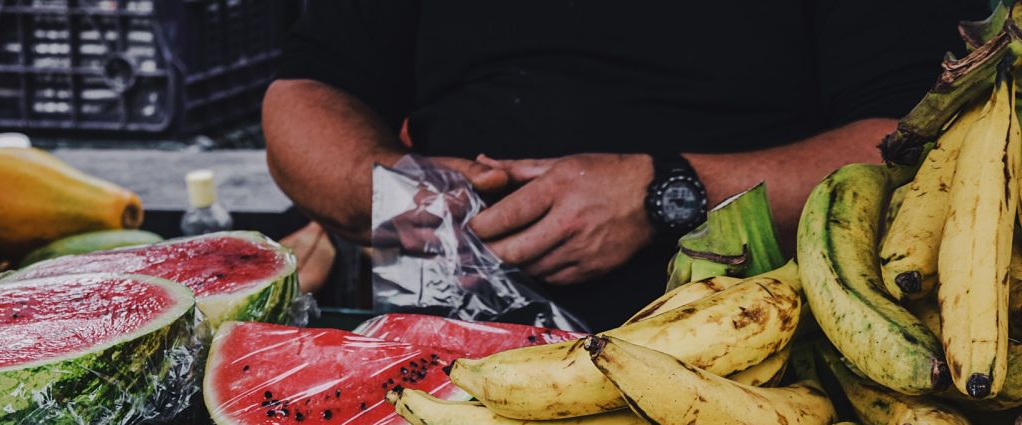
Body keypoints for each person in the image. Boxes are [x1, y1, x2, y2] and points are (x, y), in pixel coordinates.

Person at [263, 1, 982, 328]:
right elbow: (304, 97)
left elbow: (917, 142)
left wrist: (669, 194)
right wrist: (403, 196)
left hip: (756, 355)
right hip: (452, 358)